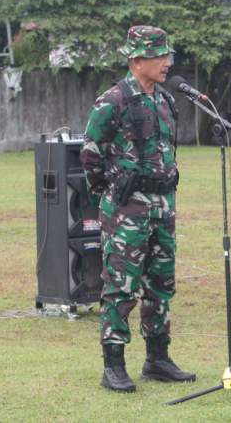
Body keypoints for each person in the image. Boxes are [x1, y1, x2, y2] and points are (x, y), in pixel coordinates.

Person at [81, 25, 195, 393]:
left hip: (163, 205)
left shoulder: (165, 100)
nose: (166, 62)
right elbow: (90, 156)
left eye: (167, 56)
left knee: (161, 283)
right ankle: (113, 364)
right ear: (136, 60)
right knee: (121, 286)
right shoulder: (112, 101)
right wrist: (113, 199)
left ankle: (157, 358)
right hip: (127, 209)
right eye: (159, 56)